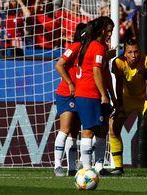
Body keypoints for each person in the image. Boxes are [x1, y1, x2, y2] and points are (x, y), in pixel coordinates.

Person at [109, 38, 147, 176]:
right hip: (127, 97)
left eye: (136, 52)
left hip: (145, 96)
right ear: (124, 53)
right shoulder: (118, 63)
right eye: (130, 52)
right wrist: (119, 106)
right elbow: (118, 85)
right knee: (113, 127)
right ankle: (118, 168)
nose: (134, 55)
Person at [74, 16, 113, 170]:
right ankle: (86, 168)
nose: (110, 34)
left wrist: (111, 96)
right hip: (89, 94)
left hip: (91, 93)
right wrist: (104, 94)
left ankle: (98, 167)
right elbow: (96, 70)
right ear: (102, 30)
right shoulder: (97, 46)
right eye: (109, 30)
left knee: (102, 130)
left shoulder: (96, 46)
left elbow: (103, 72)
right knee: (89, 130)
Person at [53, 22, 86, 176]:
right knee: (65, 129)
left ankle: (71, 168)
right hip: (67, 93)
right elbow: (59, 65)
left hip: (80, 94)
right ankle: (57, 165)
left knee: (74, 132)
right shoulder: (76, 46)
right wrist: (70, 83)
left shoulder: (87, 49)